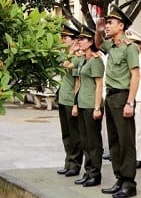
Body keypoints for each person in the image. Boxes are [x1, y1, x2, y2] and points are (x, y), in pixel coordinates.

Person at [96, 7, 139, 198]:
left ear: (121, 26)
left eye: (110, 23)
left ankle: (129, 183)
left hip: (123, 97)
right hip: (110, 96)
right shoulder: (111, 45)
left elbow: (136, 75)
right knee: (113, 141)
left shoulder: (129, 47)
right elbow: (98, 44)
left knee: (126, 141)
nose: (107, 26)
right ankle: (119, 178)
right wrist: (98, 30)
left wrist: (130, 102)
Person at [73, 26, 105, 187]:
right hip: (83, 103)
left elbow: (99, 85)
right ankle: (88, 171)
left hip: (92, 104)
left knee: (94, 142)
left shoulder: (96, 60)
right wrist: (76, 103)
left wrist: (97, 107)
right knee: (85, 141)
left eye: (82, 39)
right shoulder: (84, 60)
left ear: (91, 42)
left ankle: (95, 173)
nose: (79, 41)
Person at [57, 23, 84, 177]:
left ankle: (75, 164)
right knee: (66, 134)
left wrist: (75, 103)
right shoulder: (65, 55)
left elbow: (77, 82)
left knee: (74, 135)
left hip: (70, 100)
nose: (62, 40)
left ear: (74, 40)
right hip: (63, 98)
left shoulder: (77, 57)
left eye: (65, 37)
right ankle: (68, 162)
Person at [126, 29, 141, 169]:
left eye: (134, 43)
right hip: (131, 96)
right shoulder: (132, 57)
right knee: (133, 130)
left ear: (140, 45)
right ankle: (135, 155)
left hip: (140, 97)